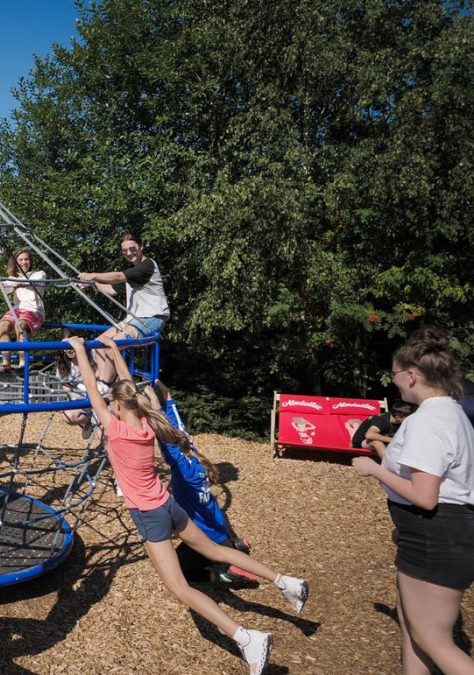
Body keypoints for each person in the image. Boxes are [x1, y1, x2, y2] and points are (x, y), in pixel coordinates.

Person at [67, 335, 309, 675]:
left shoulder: (115, 429)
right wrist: (116, 352)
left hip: (150, 516)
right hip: (169, 505)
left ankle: (246, 638)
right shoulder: (148, 424)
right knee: (216, 550)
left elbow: (92, 386)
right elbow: (126, 387)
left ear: (117, 406)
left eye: (111, 402)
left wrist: (80, 350)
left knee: (180, 588)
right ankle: (286, 582)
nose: (108, 404)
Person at [352, 328, 474, 674]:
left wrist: (373, 469)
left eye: (395, 375)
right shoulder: (450, 413)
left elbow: (426, 498)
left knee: (432, 640)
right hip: (431, 535)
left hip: (437, 538)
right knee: (414, 635)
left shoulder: (429, 421)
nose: (394, 382)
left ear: (411, 376)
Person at [96, 335, 257, 586]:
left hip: (188, 526)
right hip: (207, 524)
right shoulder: (195, 461)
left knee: (182, 572)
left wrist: (161, 402)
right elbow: (170, 422)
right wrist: (163, 403)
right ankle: (236, 548)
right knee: (206, 540)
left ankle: (223, 573)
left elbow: (166, 424)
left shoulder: (181, 466)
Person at [77, 233, 169, 384]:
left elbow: (119, 277)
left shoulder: (147, 266)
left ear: (141, 246)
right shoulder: (132, 275)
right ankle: (104, 379)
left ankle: (105, 384)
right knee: (98, 344)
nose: (129, 253)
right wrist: (92, 284)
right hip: (134, 319)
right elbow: (111, 290)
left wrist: (94, 275)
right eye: (125, 251)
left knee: (113, 345)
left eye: (132, 249)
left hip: (151, 319)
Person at [0, 248, 46, 371]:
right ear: (16, 262)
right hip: (17, 309)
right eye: (20, 260)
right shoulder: (13, 278)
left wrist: (20, 283)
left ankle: (22, 363)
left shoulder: (39, 274)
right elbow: (8, 287)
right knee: (3, 324)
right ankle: (6, 361)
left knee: (20, 325)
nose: (24, 262)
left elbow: (34, 282)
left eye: (26, 259)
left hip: (34, 309)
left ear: (30, 261)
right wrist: (1, 285)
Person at [350, 401, 417, 460]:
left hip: (383, 441)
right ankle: (389, 465)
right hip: (361, 442)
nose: (409, 421)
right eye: (407, 419)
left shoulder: (398, 422)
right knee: (376, 442)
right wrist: (392, 440)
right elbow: (370, 435)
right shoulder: (381, 420)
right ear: (398, 418)